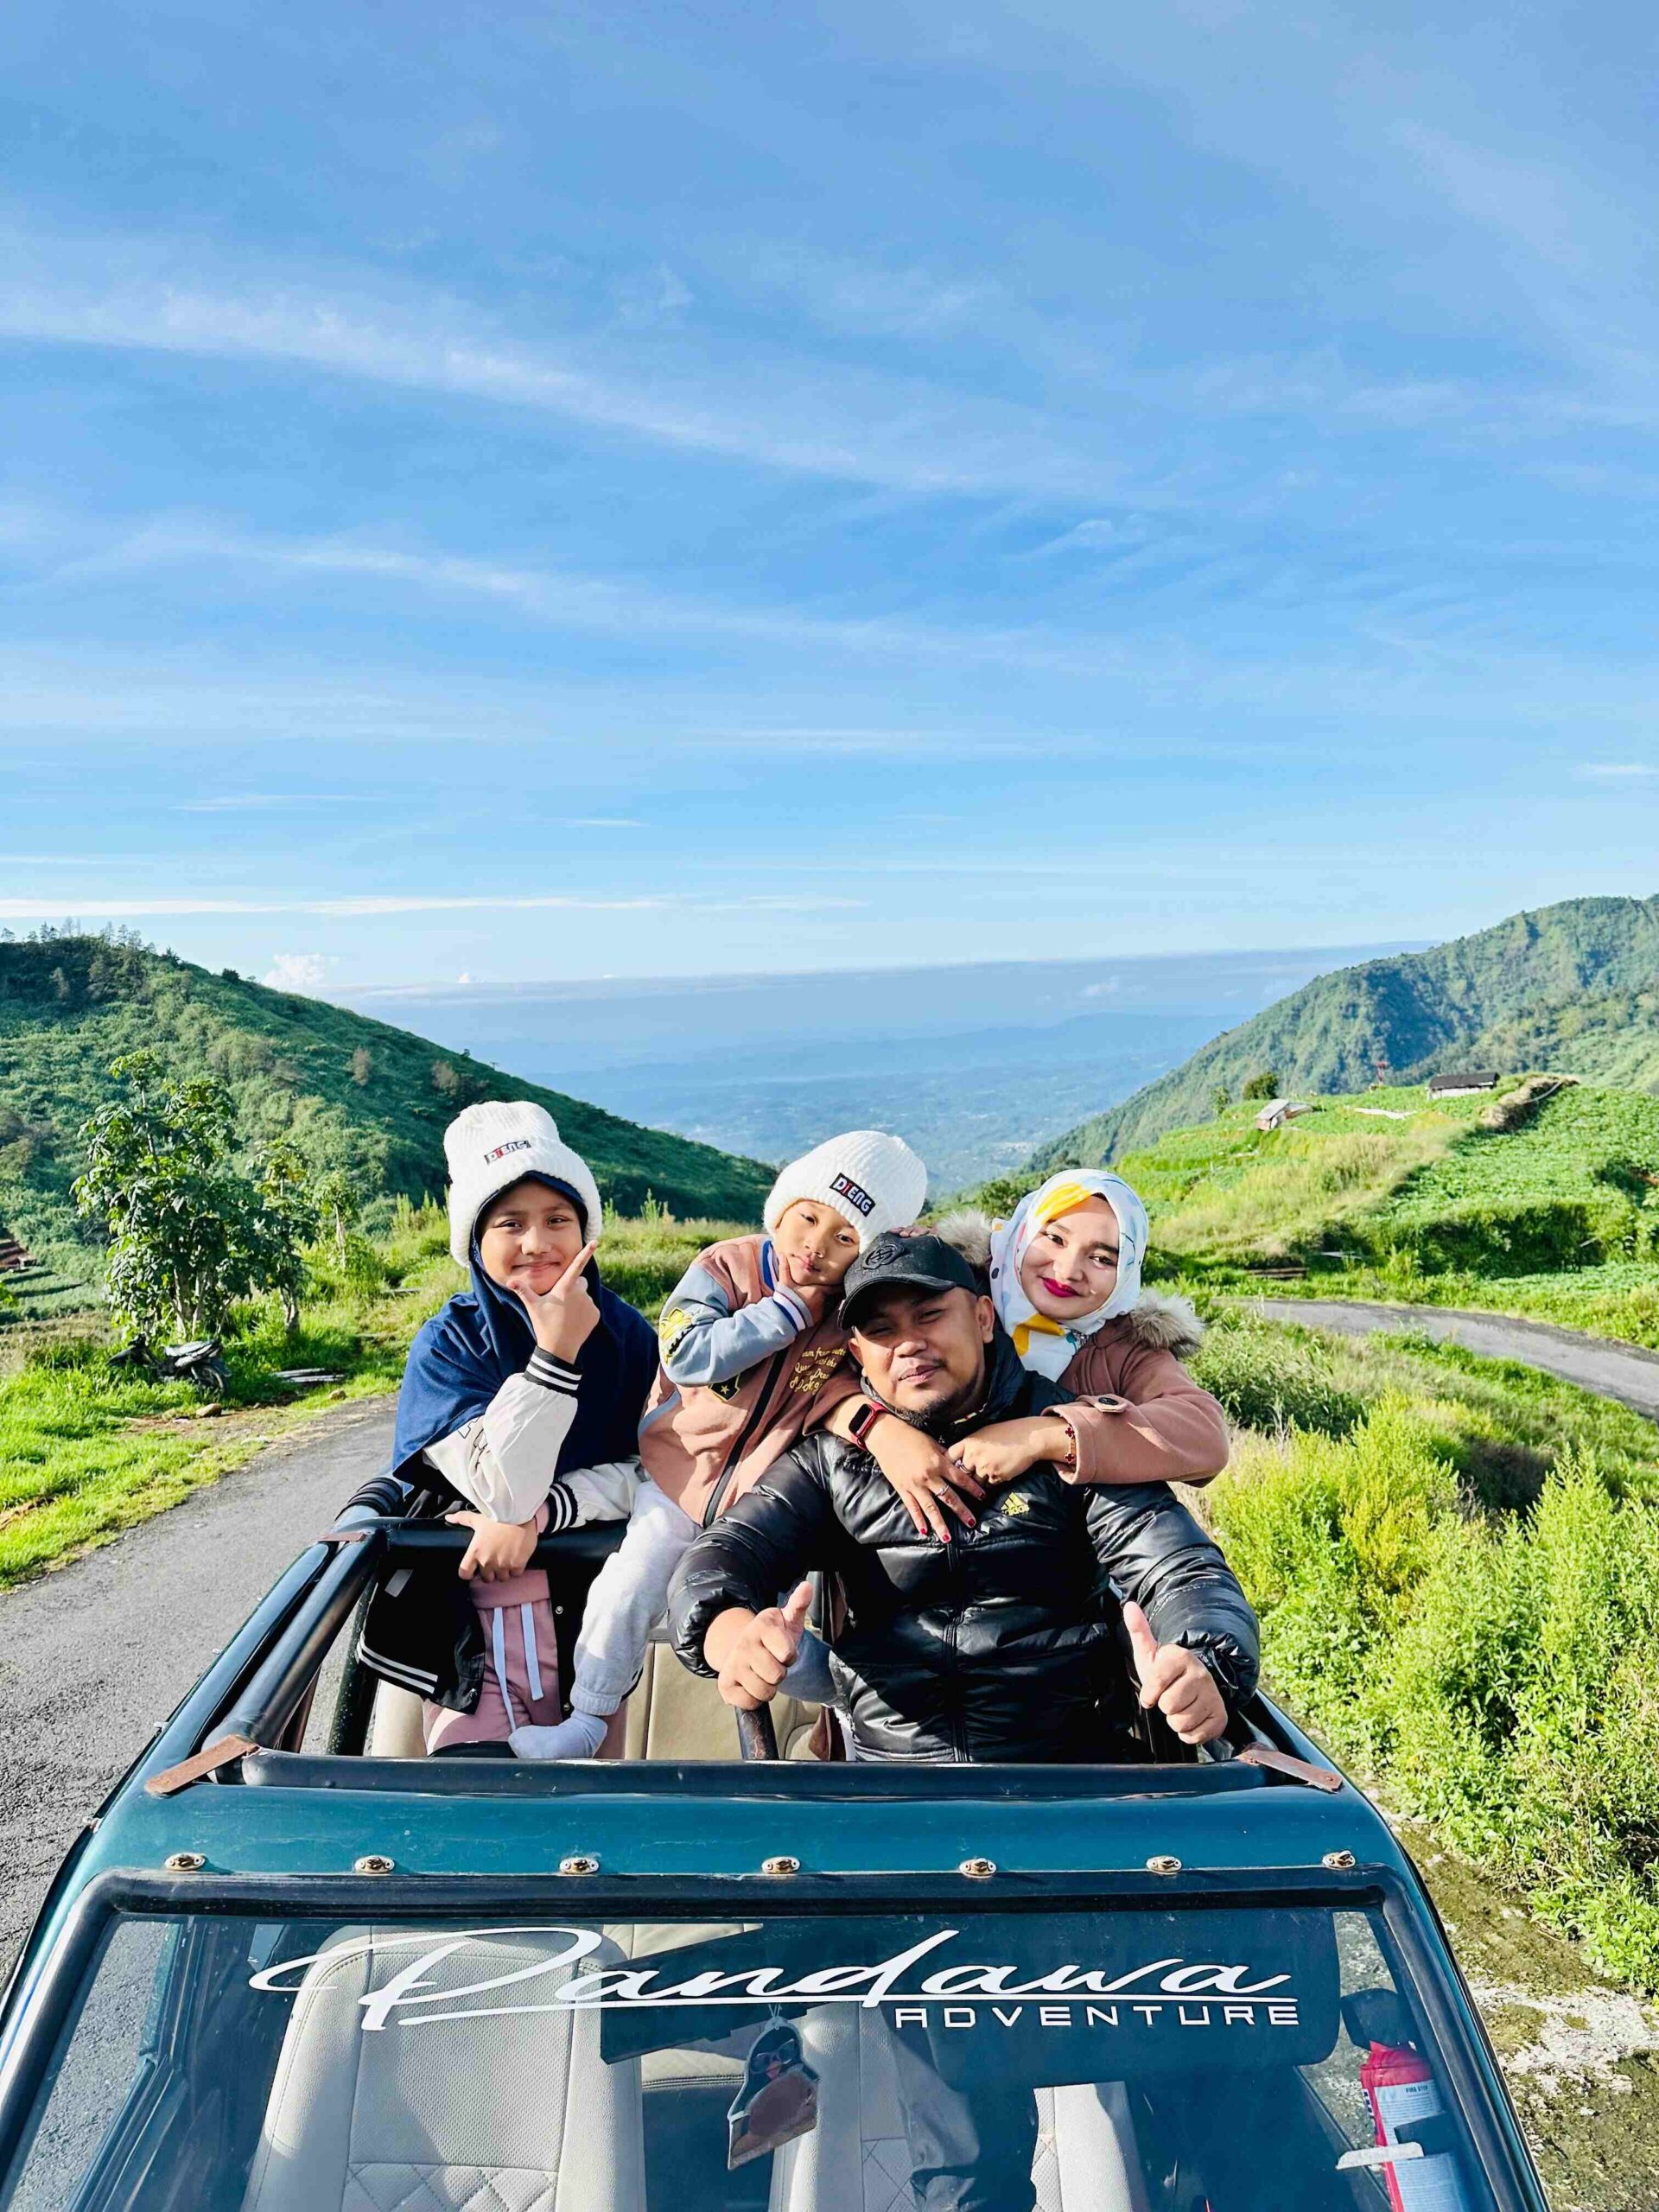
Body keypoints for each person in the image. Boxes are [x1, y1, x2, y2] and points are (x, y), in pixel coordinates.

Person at [668, 1229, 1257, 1764]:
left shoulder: (1066, 1437)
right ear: (858, 1354)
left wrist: (1202, 1659)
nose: (908, 1344)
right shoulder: (831, 1462)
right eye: (882, 1331)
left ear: (982, 1318)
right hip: (893, 1787)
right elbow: (724, 1553)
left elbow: (1181, 1568)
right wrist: (729, 1633)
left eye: (929, 1315)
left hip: (1071, 1779)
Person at [510, 1128, 928, 1758]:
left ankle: (851, 1706)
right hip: (677, 1479)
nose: (815, 1246)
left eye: (845, 1238)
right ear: (782, 1208)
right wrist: (781, 1315)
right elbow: (685, 1350)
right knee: (627, 1587)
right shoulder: (727, 1267)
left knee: (776, 1630)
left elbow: (852, 1387)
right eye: (808, 1217)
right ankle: (589, 1718)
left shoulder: (848, 1314)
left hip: (766, 1502)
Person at [353, 1101, 656, 1755]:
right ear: (474, 1240)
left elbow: (663, 1471)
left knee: (591, 1801)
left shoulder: (629, 1337)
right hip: (466, 1642)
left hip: (594, 1633)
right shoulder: (449, 1345)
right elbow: (504, 1491)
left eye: (558, 1220)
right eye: (510, 1223)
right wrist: (556, 1357)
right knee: (480, 1793)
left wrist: (546, 1515)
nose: (537, 1243)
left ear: (586, 1231)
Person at [815, 1168, 1230, 1541]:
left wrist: (1044, 1438)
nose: (1067, 1270)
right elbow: (823, 1374)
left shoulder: (1123, 1345)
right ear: (1025, 1231)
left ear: (1126, 1273)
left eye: (1102, 1258)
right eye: (1054, 1238)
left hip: (1064, 1562)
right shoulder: (959, 1288)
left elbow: (1205, 1435)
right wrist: (880, 1431)